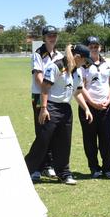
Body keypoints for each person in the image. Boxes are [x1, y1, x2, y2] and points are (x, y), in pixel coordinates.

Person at [24, 44, 94, 185]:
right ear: (78, 57)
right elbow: (44, 87)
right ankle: (26, 171)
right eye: (85, 61)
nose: (86, 64)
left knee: (64, 143)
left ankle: (63, 174)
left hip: (66, 109)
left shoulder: (77, 71)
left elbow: (77, 92)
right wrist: (44, 108)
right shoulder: (56, 66)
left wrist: (86, 108)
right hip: (51, 107)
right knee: (43, 141)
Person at [79, 36, 110, 179]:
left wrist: (108, 100)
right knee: (90, 140)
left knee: (107, 139)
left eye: (96, 45)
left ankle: (107, 167)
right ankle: (94, 168)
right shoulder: (83, 64)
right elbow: (80, 86)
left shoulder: (109, 62)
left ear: (100, 47)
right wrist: (92, 103)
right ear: (87, 47)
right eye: (91, 46)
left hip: (106, 107)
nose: (94, 48)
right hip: (88, 108)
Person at [29, 25, 62, 180]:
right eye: (49, 35)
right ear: (44, 37)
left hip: (53, 97)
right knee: (42, 132)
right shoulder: (38, 54)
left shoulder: (59, 55)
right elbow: (38, 76)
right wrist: (46, 90)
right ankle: (36, 167)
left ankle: (48, 166)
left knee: (52, 132)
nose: (52, 37)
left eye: (54, 35)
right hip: (39, 95)